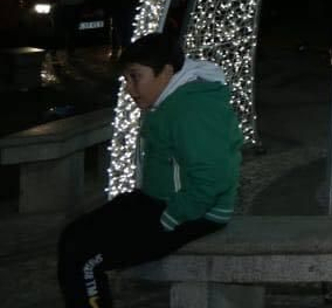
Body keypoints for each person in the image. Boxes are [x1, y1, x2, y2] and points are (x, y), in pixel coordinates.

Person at [58, 32, 242, 308]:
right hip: (157, 201)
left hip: (193, 213)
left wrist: (170, 219)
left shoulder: (192, 108)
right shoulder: (175, 97)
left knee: (82, 256)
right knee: (72, 236)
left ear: (166, 71)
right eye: (127, 79)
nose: (131, 89)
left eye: (136, 77)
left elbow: (213, 178)